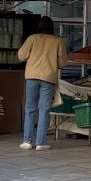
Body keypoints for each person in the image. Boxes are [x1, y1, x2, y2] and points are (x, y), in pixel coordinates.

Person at [18, 15, 68, 151]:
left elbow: (21, 56)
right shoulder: (58, 41)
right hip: (48, 77)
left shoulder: (32, 38)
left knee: (30, 109)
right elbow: (63, 62)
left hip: (32, 76)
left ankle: (27, 141)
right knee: (44, 109)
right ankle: (41, 143)